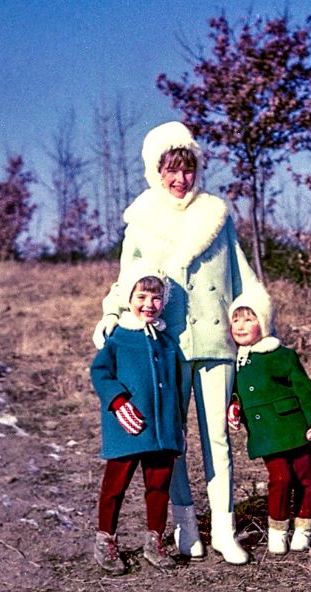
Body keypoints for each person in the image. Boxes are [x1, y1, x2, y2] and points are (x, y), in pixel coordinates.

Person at [92, 121, 263, 565]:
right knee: (174, 440)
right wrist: (112, 313)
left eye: (187, 169)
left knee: (217, 437)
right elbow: (125, 280)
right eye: (171, 170)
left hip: (216, 340)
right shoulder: (142, 221)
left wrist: (254, 326)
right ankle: (187, 529)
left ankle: (223, 530)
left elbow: (245, 282)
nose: (180, 179)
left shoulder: (216, 215)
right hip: (166, 346)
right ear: (155, 171)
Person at [89, 266, 185, 574]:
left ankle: (154, 541)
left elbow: (178, 384)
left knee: (158, 486)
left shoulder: (167, 342)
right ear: (128, 298)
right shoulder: (118, 338)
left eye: (157, 297)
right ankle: (106, 539)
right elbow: (100, 372)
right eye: (141, 296)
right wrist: (118, 401)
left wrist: (178, 422)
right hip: (127, 426)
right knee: (115, 486)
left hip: (162, 429)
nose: (149, 304)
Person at [226, 290, 311, 554]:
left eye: (249, 319)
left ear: (264, 322)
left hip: (295, 426)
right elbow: (235, 390)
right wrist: (234, 406)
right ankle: (277, 530)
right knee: (280, 478)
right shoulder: (236, 360)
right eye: (236, 320)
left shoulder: (281, 354)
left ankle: (303, 528)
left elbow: (304, 388)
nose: (241, 326)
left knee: (304, 477)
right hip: (266, 433)